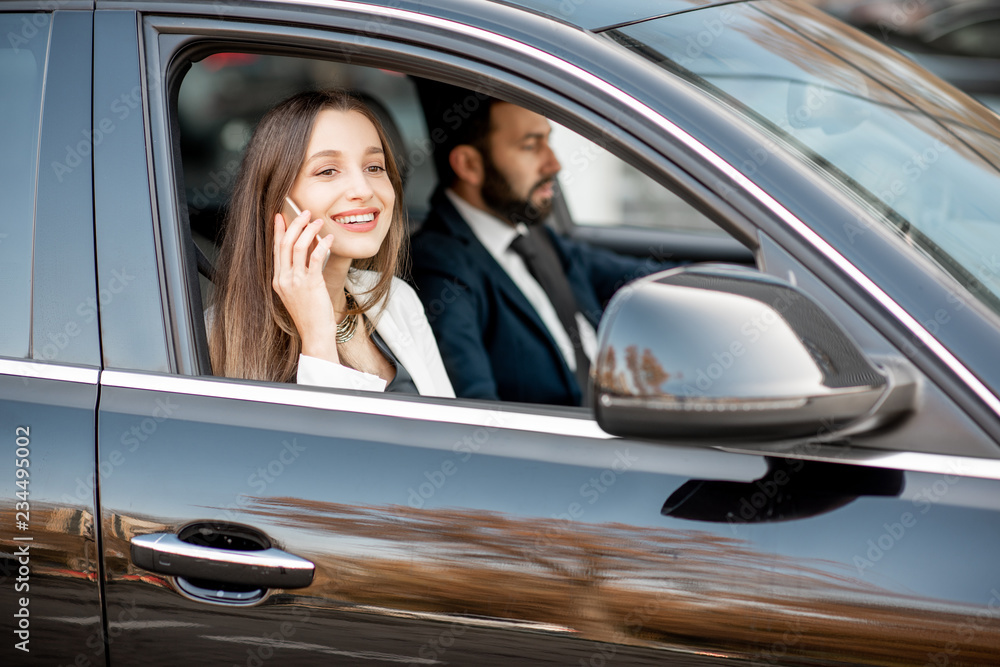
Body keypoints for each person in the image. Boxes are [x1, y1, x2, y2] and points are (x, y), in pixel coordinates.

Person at [409, 91, 678, 406]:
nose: (554, 163)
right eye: (530, 145)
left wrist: (717, 284)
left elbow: (635, 277)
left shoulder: (532, 235)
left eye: (547, 141)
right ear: (469, 164)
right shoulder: (439, 266)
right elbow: (476, 409)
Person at [209, 89, 454, 397]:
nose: (363, 189)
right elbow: (334, 444)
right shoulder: (215, 338)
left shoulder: (397, 301)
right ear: (277, 200)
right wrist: (318, 339)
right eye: (328, 171)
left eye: (374, 167)